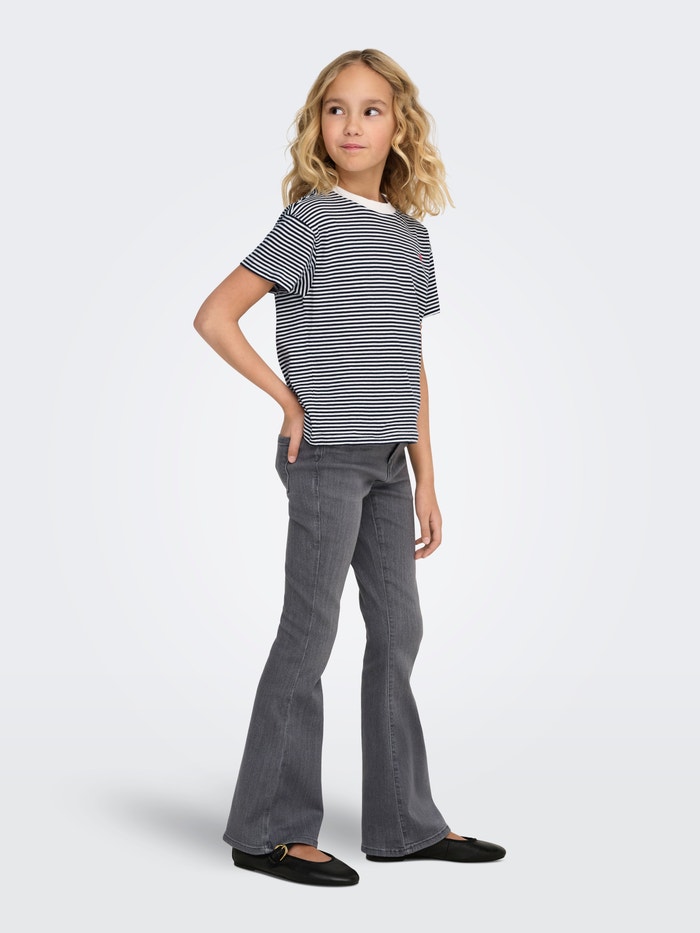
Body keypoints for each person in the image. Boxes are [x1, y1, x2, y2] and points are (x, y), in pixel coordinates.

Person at [193, 48, 506, 887]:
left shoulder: (410, 238)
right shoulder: (310, 222)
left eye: (371, 110)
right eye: (336, 109)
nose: (352, 124)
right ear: (317, 125)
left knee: (399, 630)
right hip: (325, 457)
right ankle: (267, 830)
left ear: (399, 126)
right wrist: (288, 400)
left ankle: (404, 824)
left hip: (388, 465)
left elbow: (409, 361)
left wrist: (427, 476)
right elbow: (216, 316)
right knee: (310, 632)